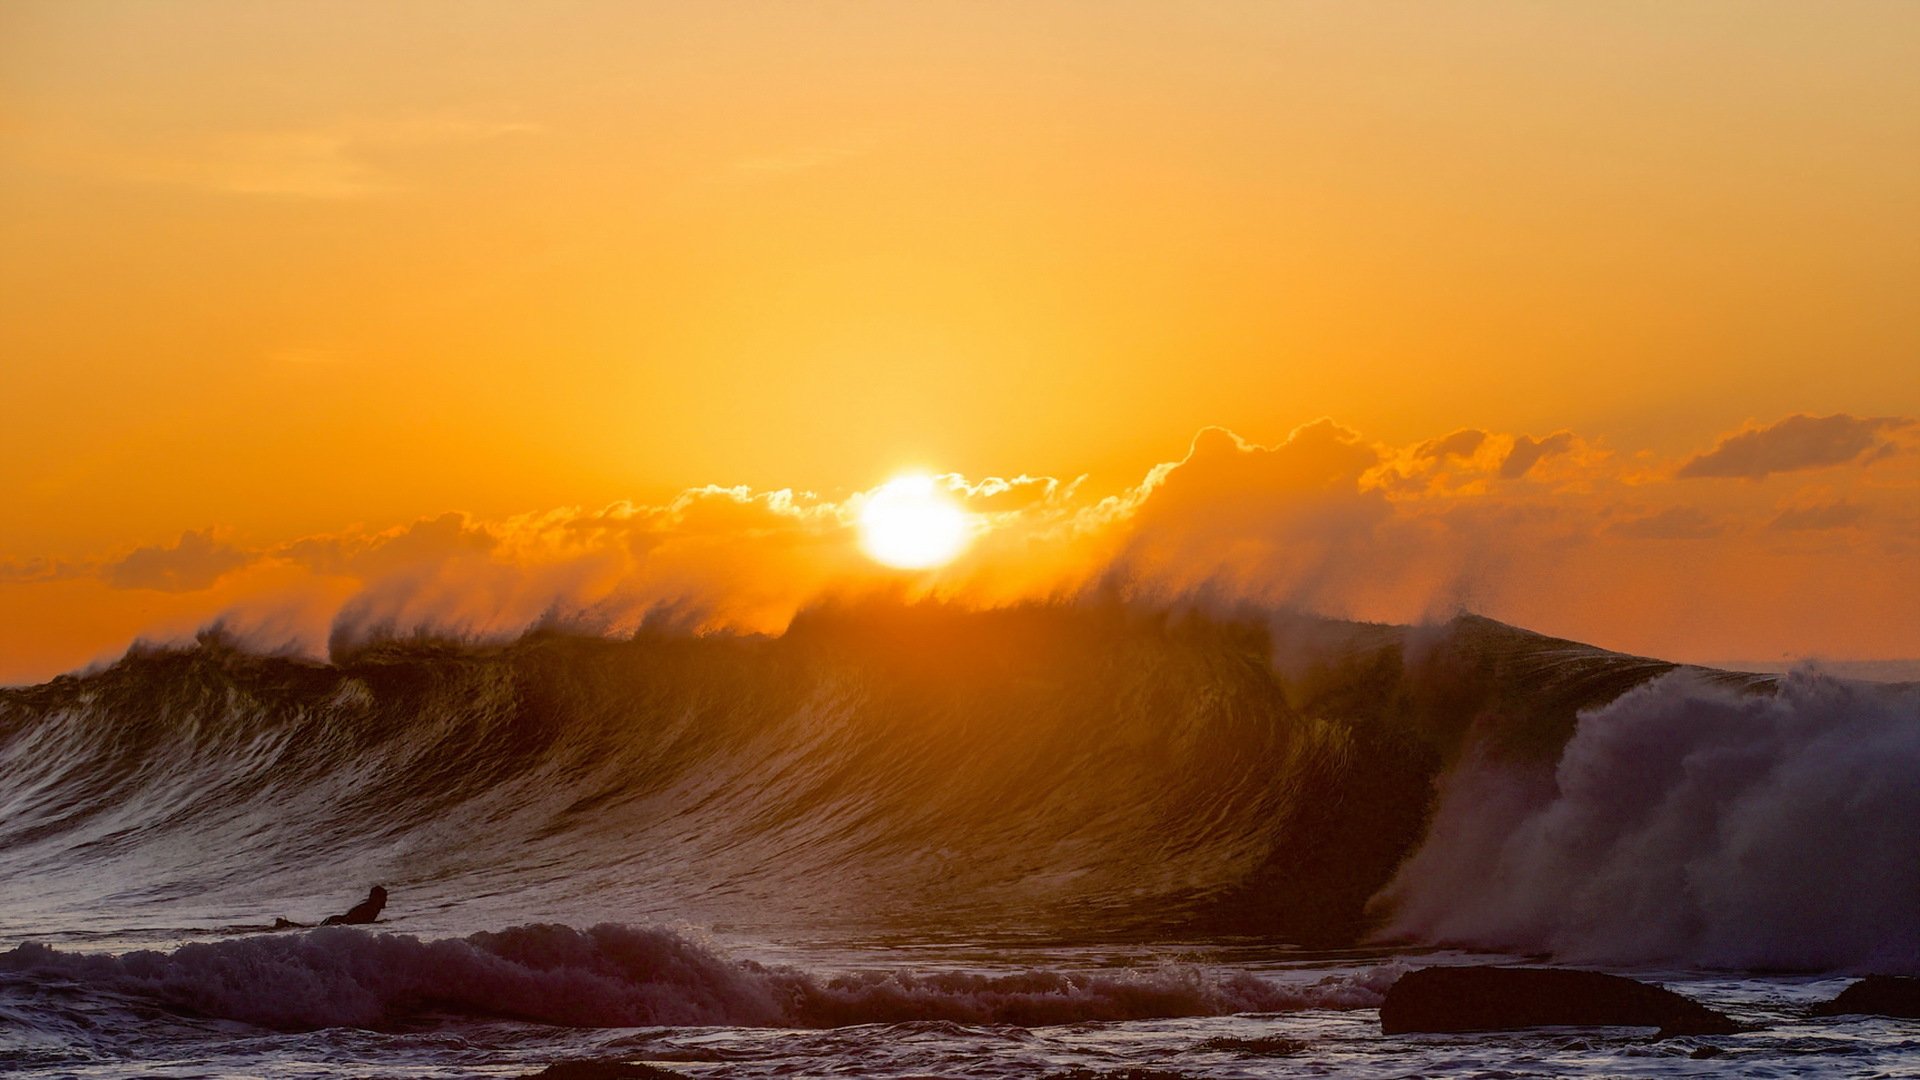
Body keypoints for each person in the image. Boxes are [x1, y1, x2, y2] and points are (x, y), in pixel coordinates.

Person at [320, 885, 388, 926]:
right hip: (334, 921)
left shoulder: (370, 907)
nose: (385, 899)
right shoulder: (369, 909)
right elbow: (359, 924)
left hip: (334, 920)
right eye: (383, 897)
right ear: (375, 898)